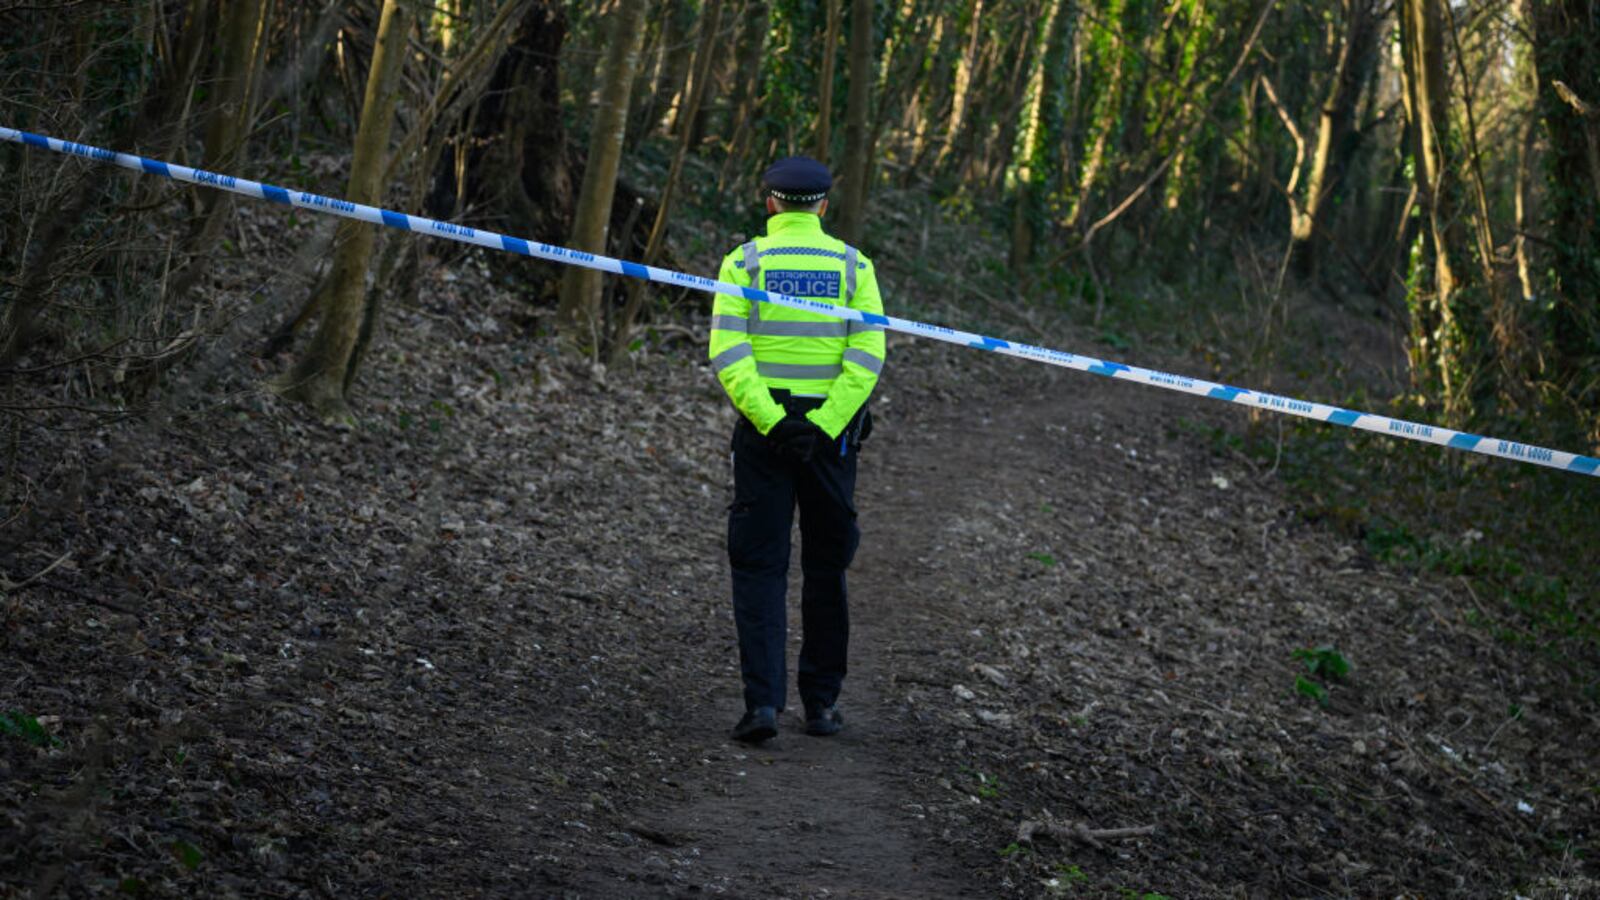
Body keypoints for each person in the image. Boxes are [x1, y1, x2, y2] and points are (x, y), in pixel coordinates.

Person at [707, 156, 887, 744]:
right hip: (832, 440)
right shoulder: (853, 266)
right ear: (824, 207)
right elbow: (867, 355)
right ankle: (822, 706)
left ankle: (762, 705)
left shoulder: (743, 263)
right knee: (826, 567)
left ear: (770, 204)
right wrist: (826, 424)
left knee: (759, 565)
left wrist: (775, 422)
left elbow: (729, 352)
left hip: (766, 435)